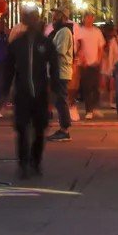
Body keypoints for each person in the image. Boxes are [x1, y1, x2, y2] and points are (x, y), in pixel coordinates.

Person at [8, 8, 59, 179]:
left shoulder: (45, 43)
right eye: (28, 18)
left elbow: (55, 68)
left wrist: (55, 90)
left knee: (39, 129)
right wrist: (4, 90)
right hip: (22, 92)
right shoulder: (17, 43)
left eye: (33, 18)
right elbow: (8, 69)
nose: (31, 21)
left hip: (40, 92)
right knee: (22, 128)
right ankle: (23, 163)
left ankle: (35, 160)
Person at [47, 9, 75, 141]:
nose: (53, 20)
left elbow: (60, 50)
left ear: (63, 18)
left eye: (56, 17)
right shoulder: (59, 31)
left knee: (61, 100)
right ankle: (63, 127)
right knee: (58, 100)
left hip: (61, 71)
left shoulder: (64, 31)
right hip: (56, 71)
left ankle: (65, 129)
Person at [73, 12, 105, 120]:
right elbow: (77, 46)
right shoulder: (80, 31)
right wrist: (82, 59)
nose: (89, 20)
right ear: (84, 19)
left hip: (95, 63)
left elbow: (100, 47)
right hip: (84, 64)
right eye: (87, 18)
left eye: (91, 18)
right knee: (87, 87)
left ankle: (94, 107)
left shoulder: (97, 32)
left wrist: (99, 60)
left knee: (95, 87)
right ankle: (89, 110)